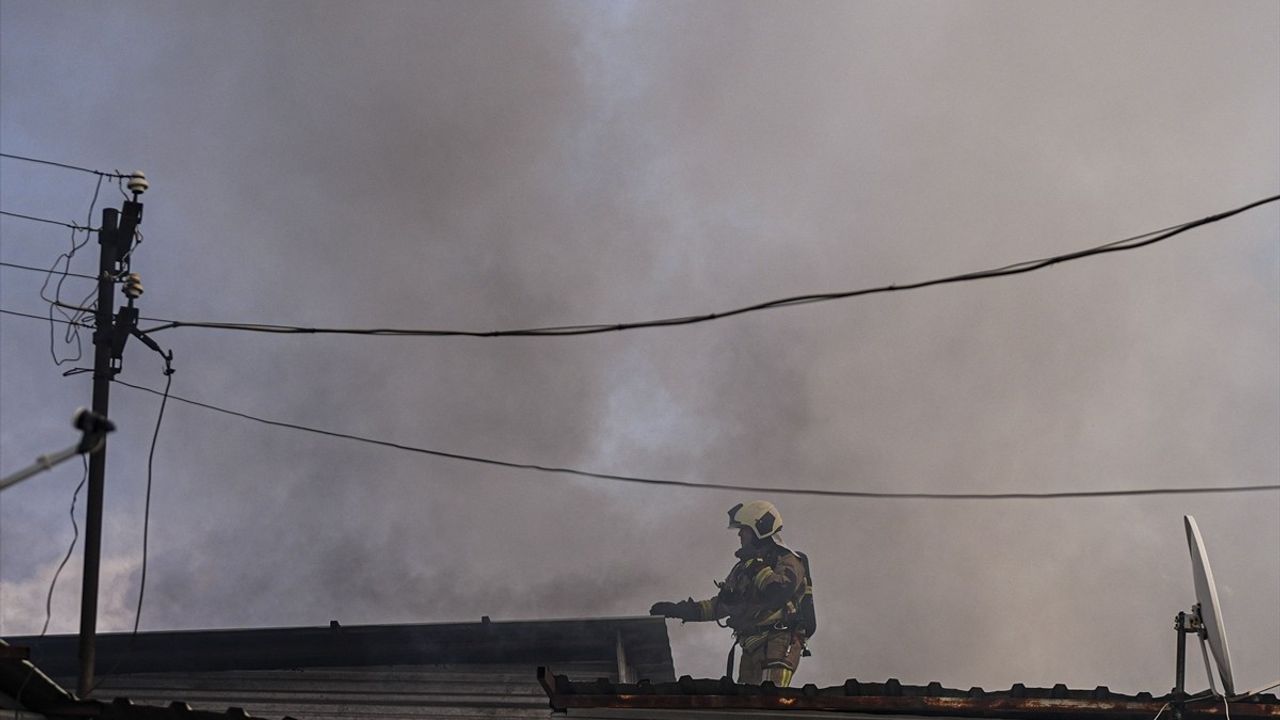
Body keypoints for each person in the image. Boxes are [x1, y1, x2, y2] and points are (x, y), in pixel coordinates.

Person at [650, 500, 815, 686]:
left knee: (771, 703)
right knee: (746, 707)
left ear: (759, 529)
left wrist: (755, 565)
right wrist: (682, 610)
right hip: (751, 647)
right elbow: (722, 605)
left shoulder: (788, 559)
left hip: (778, 642)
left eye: (744, 529)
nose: (739, 534)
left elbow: (777, 591)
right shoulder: (744, 568)